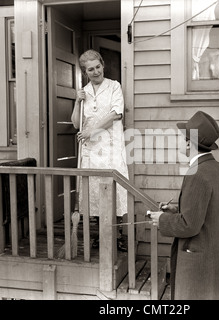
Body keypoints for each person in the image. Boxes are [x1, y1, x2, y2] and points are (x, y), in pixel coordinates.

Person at [149, 111, 219, 300]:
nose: (180, 140)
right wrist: (176, 211)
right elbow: (209, 211)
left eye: (182, 137)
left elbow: (190, 225)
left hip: (199, 266)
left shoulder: (197, 173)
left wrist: (162, 220)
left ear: (190, 143)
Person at [71, 49, 129, 250]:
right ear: (85, 72)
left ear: (103, 65)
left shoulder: (114, 86)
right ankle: (100, 235)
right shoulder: (84, 91)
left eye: (97, 67)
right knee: (94, 192)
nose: (95, 72)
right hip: (91, 150)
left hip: (110, 147)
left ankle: (118, 236)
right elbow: (76, 124)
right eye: (90, 69)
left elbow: (115, 114)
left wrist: (92, 131)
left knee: (113, 188)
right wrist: (77, 101)